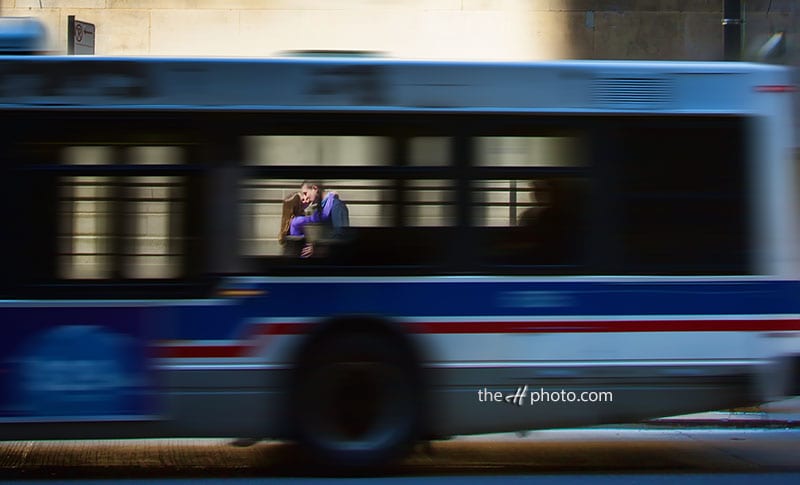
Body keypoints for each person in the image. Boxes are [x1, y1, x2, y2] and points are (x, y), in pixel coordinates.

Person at [297, 180, 350, 258]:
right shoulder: (319, 208)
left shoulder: (337, 206)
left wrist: (318, 248)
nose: (305, 198)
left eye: (305, 193)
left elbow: (341, 237)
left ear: (315, 188)